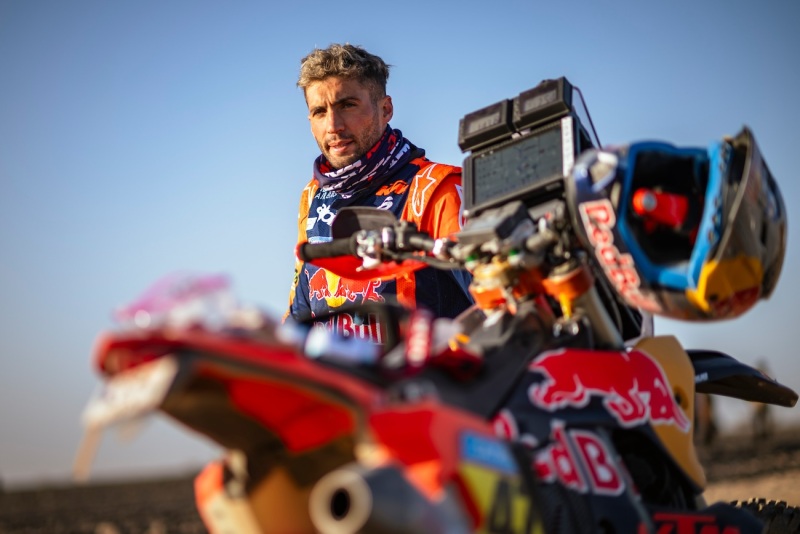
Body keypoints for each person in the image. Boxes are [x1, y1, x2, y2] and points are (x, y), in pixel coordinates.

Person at [285, 43, 473, 338]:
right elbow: (298, 314)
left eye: (347, 105)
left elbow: (495, 306)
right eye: (320, 112)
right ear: (310, 122)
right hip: (341, 381)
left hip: (423, 380)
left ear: (385, 109)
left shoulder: (438, 188)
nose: (333, 125)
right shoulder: (312, 197)